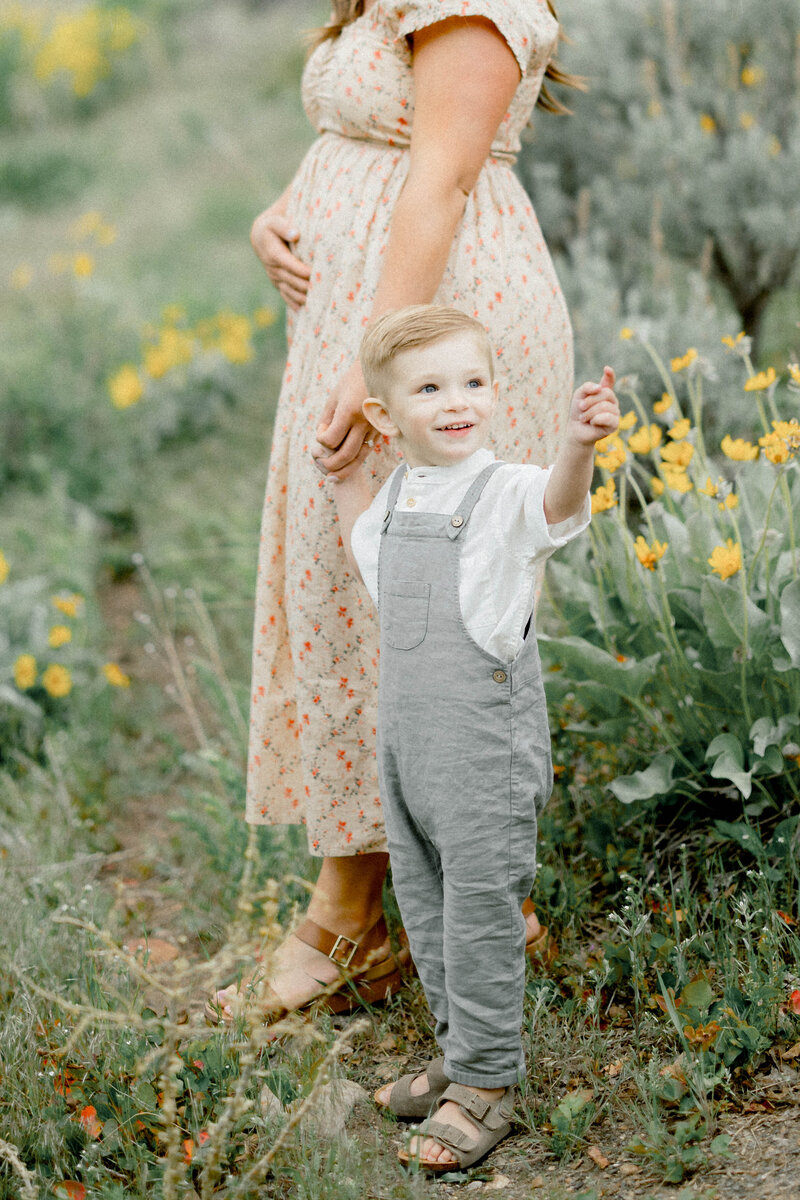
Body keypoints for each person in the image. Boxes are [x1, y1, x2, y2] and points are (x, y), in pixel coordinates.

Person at [210, 0, 581, 1022]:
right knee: (346, 594)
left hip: (430, 334)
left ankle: (414, 916)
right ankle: (395, 911)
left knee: (420, 614)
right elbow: (364, 132)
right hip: (364, 320)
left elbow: (442, 173)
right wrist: (279, 212)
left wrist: (378, 361)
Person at [333, 304, 619, 1171]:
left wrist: (578, 446)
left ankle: (489, 1082)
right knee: (426, 906)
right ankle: (459, 1055)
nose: (458, 402)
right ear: (387, 416)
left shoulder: (505, 493)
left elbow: (557, 508)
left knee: (482, 913)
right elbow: (369, 554)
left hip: (482, 750)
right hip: (410, 747)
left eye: (472, 382)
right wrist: (336, 470)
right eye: (430, 388)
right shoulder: (399, 493)